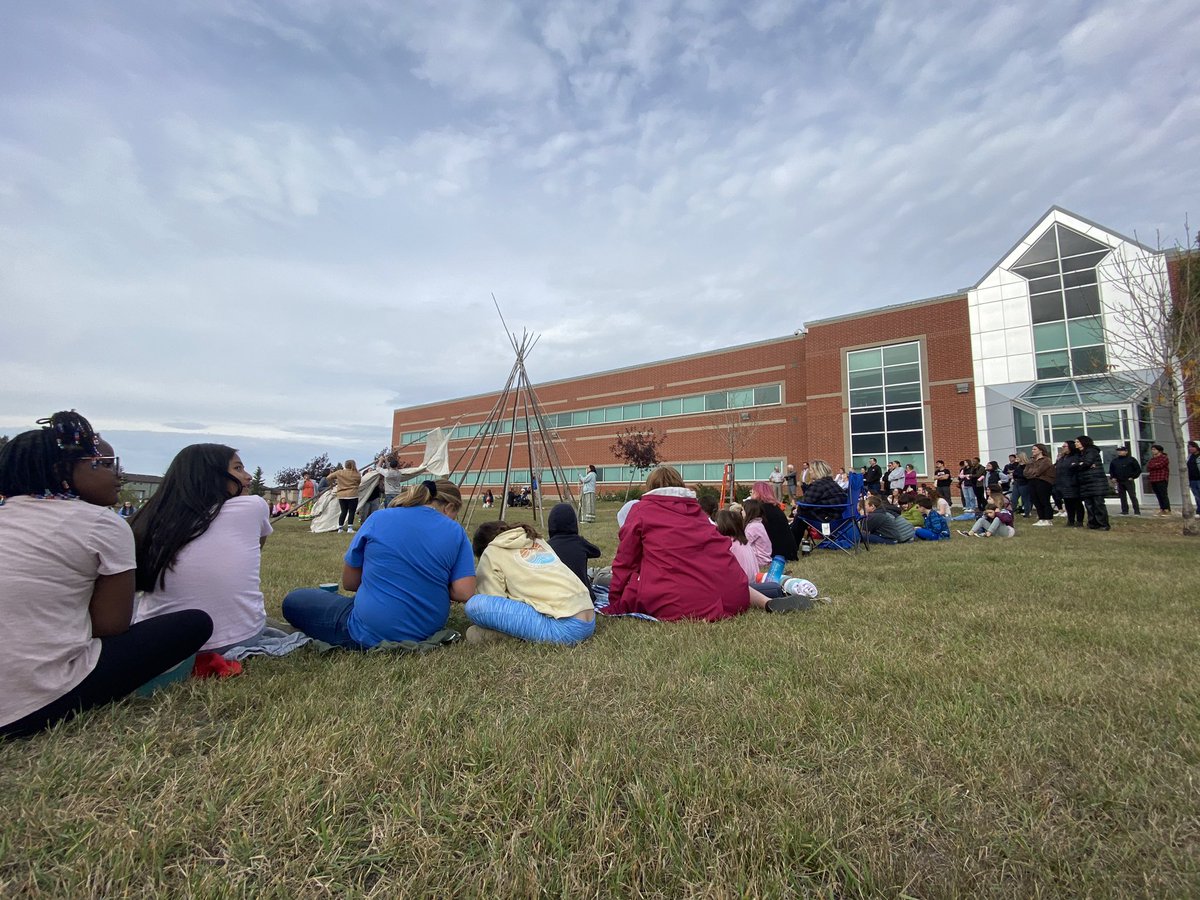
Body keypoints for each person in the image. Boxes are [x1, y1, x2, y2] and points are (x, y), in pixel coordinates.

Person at [0, 412, 212, 738]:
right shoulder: (101, 523)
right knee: (194, 623)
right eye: (107, 463)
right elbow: (110, 626)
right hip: (27, 702)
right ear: (64, 470)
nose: (118, 475)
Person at [282, 479, 475, 648]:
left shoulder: (379, 518)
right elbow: (464, 592)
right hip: (427, 628)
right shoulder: (456, 531)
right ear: (449, 507)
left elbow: (349, 583)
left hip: (368, 629)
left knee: (294, 600)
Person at [131, 444, 273, 658]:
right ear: (210, 475)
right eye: (238, 469)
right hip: (242, 636)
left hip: (162, 644)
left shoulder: (150, 520)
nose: (248, 476)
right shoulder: (253, 506)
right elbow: (256, 547)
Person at [605, 467, 802, 620]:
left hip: (677, 602)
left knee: (633, 588)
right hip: (732, 596)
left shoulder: (641, 511)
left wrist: (615, 600)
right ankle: (768, 602)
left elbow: (625, 561)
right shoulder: (697, 512)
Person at [465, 522, 595, 645]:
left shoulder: (492, 551)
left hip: (564, 626)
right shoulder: (536, 539)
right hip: (588, 618)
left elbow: (494, 604)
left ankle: (517, 637)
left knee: (474, 605)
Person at [546, 502, 601, 604]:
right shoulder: (579, 542)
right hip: (584, 598)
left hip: (557, 598)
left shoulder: (546, 547)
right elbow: (597, 552)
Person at [749, 481, 798, 560]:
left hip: (777, 553)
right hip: (789, 551)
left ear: (757, 493)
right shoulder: (774, 507)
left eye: (752, 492)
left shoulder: (761, 509)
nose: (751, 494)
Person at [1071, 435, 1110, 530]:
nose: (1075, 443)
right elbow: (1077, 465)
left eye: (1077, 442)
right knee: (1089, 505)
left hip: (1096, 482)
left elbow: (1086, 463)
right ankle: (1093, 524)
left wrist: (1079, 464)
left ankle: (1103, 524)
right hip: (1086, 483)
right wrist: (1079, 464)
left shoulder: (1091, 451)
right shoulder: (1080, 453)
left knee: (1098, 505)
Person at [1024, 443, 1057, 526]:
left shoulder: (1046, 460)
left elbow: (1039, 471)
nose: (1032, 451)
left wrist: (1032, 472)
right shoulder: (1031, 460)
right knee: (1036, 500)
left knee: (1044, 500)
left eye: (1034, 449)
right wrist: (1031, 473)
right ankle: (1041, 518)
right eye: (1032, 449)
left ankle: (1048, 519)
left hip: (1043, 481)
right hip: (1032, 481)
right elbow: (1025, 472)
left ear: (1041, 450)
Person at [1107, 444, 1142, 516]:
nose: (1120, 452)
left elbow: (1138, 470)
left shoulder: (1131, 459)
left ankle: (1137, 511)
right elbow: (1111, 470)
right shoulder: (1115, 461)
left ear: (1126, 451)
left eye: (1121, 451)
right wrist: (1113, 477)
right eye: (1118, 451)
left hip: (1128, 480)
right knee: (1122, 496)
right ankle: (1124, 511)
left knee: (1132, 496)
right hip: (1119, 481)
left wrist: (1133, 477)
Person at [1054, 442, 1083, 527]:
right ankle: (1070, 521)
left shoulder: (1076, 457)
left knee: (1077, 503)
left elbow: (1075, 469)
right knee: (1068, 503)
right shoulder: (1062, 458)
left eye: (1064, 446)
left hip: (1072, 484)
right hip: (1063, 484)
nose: (1063, 447)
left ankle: (1079, 521)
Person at [740, 499, 774, 567]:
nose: (741, 512)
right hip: (765, 558)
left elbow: (745, 544)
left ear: (749, 511)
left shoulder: (752, 527)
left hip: (759, 560)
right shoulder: (758, 524)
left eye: (743, 510)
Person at [330, 460, 361, 533]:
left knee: (343, 511)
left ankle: (340, 528)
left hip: (341, 495)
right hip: (352, 494)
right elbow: (359, 483)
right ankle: (350, 528)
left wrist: (332, 485)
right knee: (351, 511)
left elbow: (328, 477)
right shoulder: (356, 474)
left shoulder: (339, 472)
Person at [1146, 444, 1171, 515]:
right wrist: (1154, 465)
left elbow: (1160, 465)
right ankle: (1162, 508)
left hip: (1161, 478)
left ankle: (1167, 509)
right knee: (1158, 495)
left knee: (1163, 494)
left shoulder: (1164, 457)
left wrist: (1154, 465)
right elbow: (1148, 466)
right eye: (1152, 449)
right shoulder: (1152, 459)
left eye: (1154, 449)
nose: (1153, 451)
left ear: (1159, 450)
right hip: (1153, 479)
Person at [1010, 452, 1031, 518]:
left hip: (1024, 483)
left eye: (1017, 457)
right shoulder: (1017, 465)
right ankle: (1011, 513)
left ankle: (1027, 513)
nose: (1016, 459)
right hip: (1017, 483)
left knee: (1025, 499)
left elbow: (1026, 475)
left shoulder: (1027, 466)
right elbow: (1015, 473)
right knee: (1014, 499)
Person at [1188, 441, 1200, 513]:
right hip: (1192, 480)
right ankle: (1199, 510)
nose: (1190, 448)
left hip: (1199, 479)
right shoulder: (1190, 456)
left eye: (1192, 447)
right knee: (1196, 496)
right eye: (1189, 447)